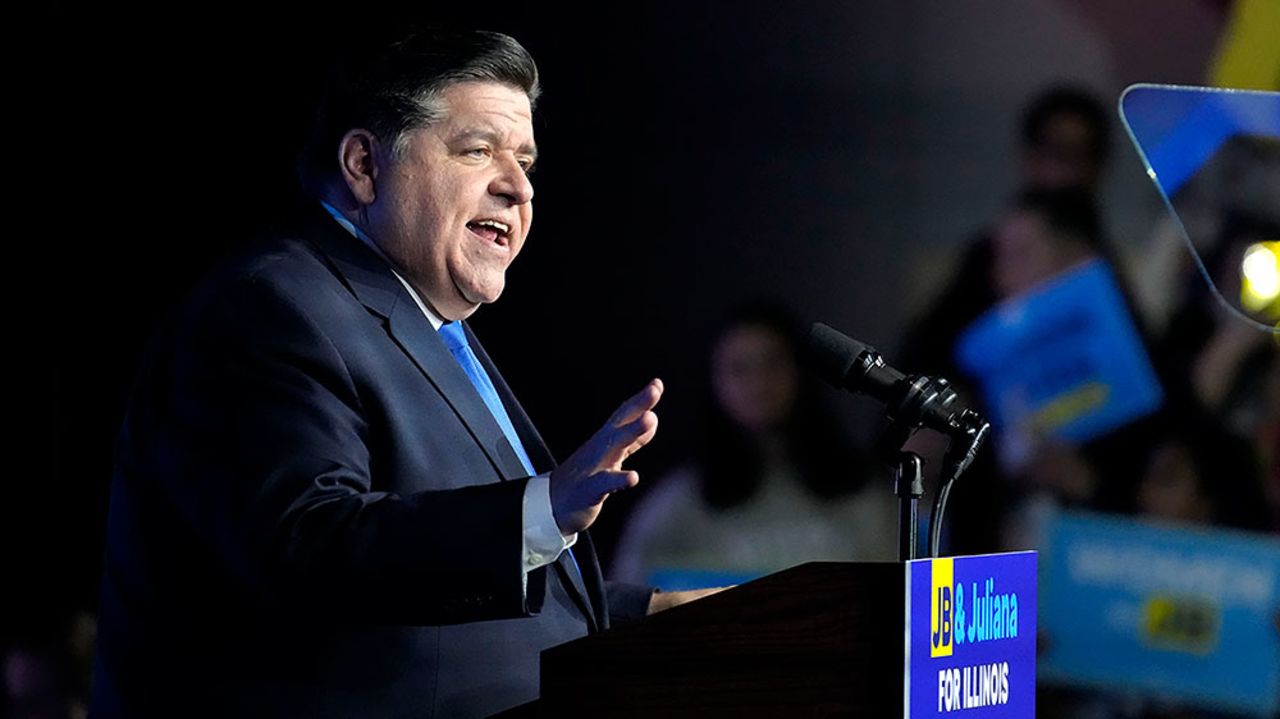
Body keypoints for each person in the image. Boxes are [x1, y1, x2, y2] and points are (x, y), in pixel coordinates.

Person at [90, 29, 702, 718]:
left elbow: (452, 587)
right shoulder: (268, 307)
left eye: (526, 160)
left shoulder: (432, 326)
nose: (518, 185)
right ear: (363, 163)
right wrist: (543, 508)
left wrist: (648, 610)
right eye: (478, 151)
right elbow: (307, 551)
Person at [612, 304, 895, 587]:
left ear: (801, 372)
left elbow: (893, 591)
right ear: (713, 381)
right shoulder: (678, 503)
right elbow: (628, 599)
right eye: (739, 369)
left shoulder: (859, 492)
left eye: (772, 363)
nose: (758, 384)